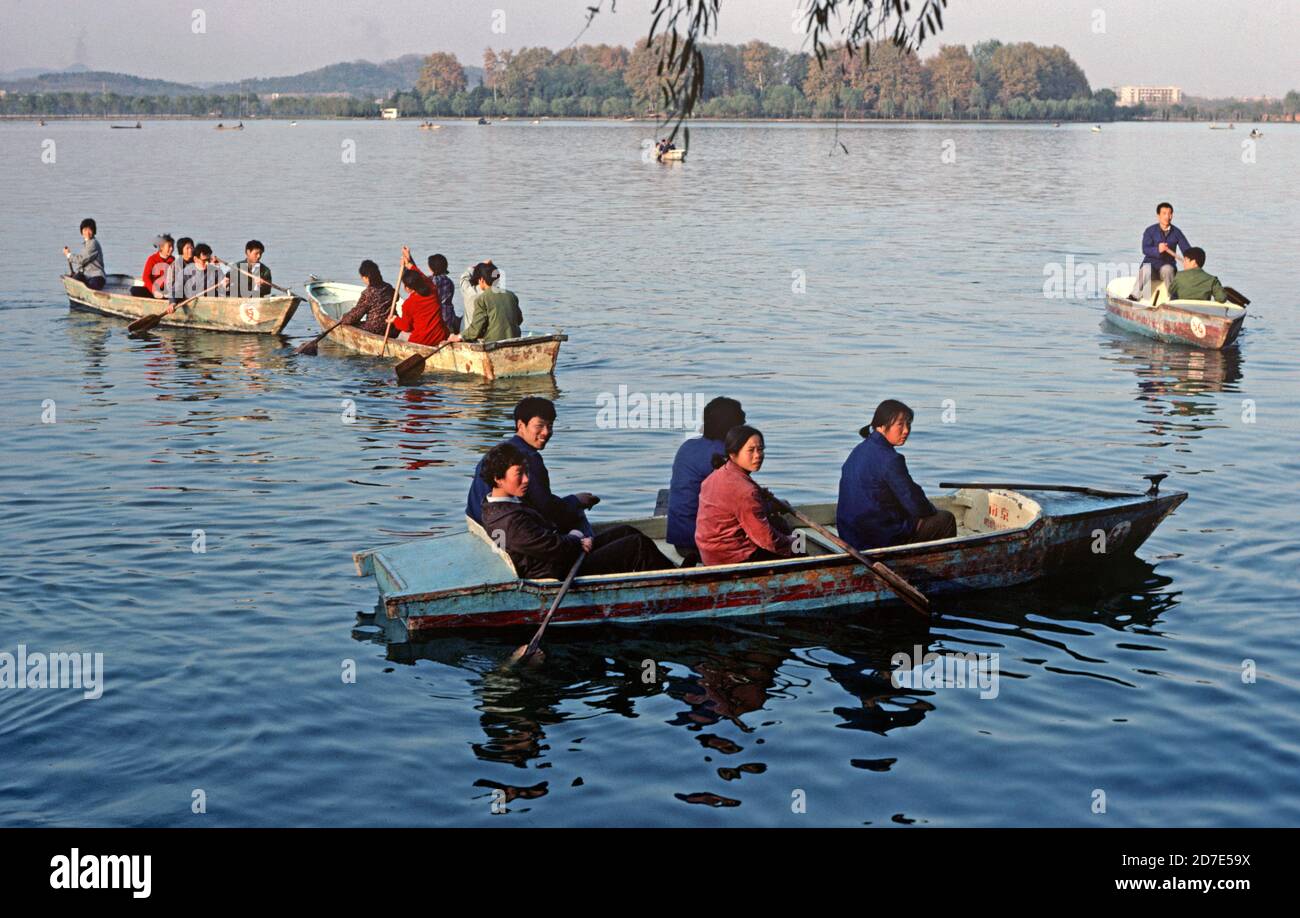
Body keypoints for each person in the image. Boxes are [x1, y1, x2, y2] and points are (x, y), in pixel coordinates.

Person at [478, 443, 674, 579]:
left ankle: (674, 572)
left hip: (561, 557)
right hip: (557, 571)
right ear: (498, 478)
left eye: (526, 472)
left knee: (626, 531)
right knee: (636, 546)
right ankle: (679, 582)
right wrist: (576, 538)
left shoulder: (497, 503)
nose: (527, 479)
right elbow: (552, 548)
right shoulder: (509, 519)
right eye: (519, 474)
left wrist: (574, 540)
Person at [466, 396, 599, 535]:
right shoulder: (528, 458)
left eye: (550, 426)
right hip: (505, 530)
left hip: (480, 526)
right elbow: (547, 509)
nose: (546, 432)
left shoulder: (496, 453)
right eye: (539, 426)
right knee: (576, 516)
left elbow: (537, 499)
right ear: (521, 425)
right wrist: (577, 501)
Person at [836, 399, 956, 551]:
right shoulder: (890, 459)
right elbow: (916, 504)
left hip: (850, 535)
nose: (906, 430)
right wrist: (929, 511)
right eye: (900, 424)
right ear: (881, 425)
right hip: (876, 539)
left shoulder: (859, 450)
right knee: (945, 519)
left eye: (908, 424)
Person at [695, 425, 798, 566]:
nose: (758, 455)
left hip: (710, 553)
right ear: (733, 453)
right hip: (731, 558)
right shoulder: (745, 490)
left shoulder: (717, 475)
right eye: (751, 450)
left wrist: (765, 502)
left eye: (760, 449)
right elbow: (766, 539)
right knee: (795, 543)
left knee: (777, 523)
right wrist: (792, 542)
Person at [666, 396, 746, 565]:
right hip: (699, 542)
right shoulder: (723, 455)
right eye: (741, 420)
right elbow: (741, 504)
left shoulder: (688, 446)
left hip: (679, 538)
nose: (745, 420)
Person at [391, 248, 459, 346]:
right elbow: (421, 277)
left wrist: (395, 319)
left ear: (407, 288)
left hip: (421, 340)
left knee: (401, 336)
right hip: (442, 332)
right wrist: (409, 263)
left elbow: (406, 327)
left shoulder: (409, 303)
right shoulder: (434, 290)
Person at [1135, 202, 1192, 300]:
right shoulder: (1150, 231)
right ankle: (1134, 295)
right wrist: (1158, 249)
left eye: (1169, 214)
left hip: (1166, 270)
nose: (1167, 216)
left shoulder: (1177, 232)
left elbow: (1187, 250)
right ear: (1158, 216)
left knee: (1168, 269)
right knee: (1145, 269)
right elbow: (1145, 249)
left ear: (1172, 215)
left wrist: (1192, 260)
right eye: (1164, 213)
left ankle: (1173, 298)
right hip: (1151, 268)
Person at [459, 261, 522, 343]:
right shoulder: (511, 295)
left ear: (481, 280)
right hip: (513, 339)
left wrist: (459, 336)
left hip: (490, 342)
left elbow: (476, 329)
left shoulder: (481, 298)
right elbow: (519, 320)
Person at [339, 260, 397, 335]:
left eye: (362, 277)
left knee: (351, 324)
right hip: (391, 328)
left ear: (366, 278)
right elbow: (397, 297)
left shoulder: (368, 293)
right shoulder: (388, 287)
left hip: (375, 329)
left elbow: (356, 315)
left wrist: (344, 319)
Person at [166, 243, 225, 313]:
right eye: (204, 261)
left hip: (211, 308)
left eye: (208, 260)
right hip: (192, 306)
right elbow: (175, 291)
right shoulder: (185, 272)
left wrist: (225, 285)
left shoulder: (217, 272)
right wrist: (172, 303)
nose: (207, 263)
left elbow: (224, 292)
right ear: (195, 259)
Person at [457, 257, 500, 329]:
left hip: (467, 332)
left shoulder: (469, 291)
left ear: (481, 279)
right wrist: (490, 269)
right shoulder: (499, 294)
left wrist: (475, 267)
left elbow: (464, 277)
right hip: (490, 333)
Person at [64, 218, 105, 290]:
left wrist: (69, 255)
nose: (87, 232)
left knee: (91, 288)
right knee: (74, 281)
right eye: (85, 230)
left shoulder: (93, 243)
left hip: (96, 276)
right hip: (86, 275)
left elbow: (82, 259)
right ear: (81, 232)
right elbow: (84, 262)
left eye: (90, 230)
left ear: (94, 231)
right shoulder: (87, 243)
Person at [426, 254, 460, 334]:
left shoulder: (431, 281)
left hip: (436, 322)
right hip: (449, 320)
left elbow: (417, 278)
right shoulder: (449, 282)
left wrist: (409, 262)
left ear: (431, 268)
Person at [162, 237, 195, 303]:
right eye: (187, 248)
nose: (190, 250)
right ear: (181, 250)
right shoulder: (174, 266)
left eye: (191, 248)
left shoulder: (197, 262)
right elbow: (170, 286)